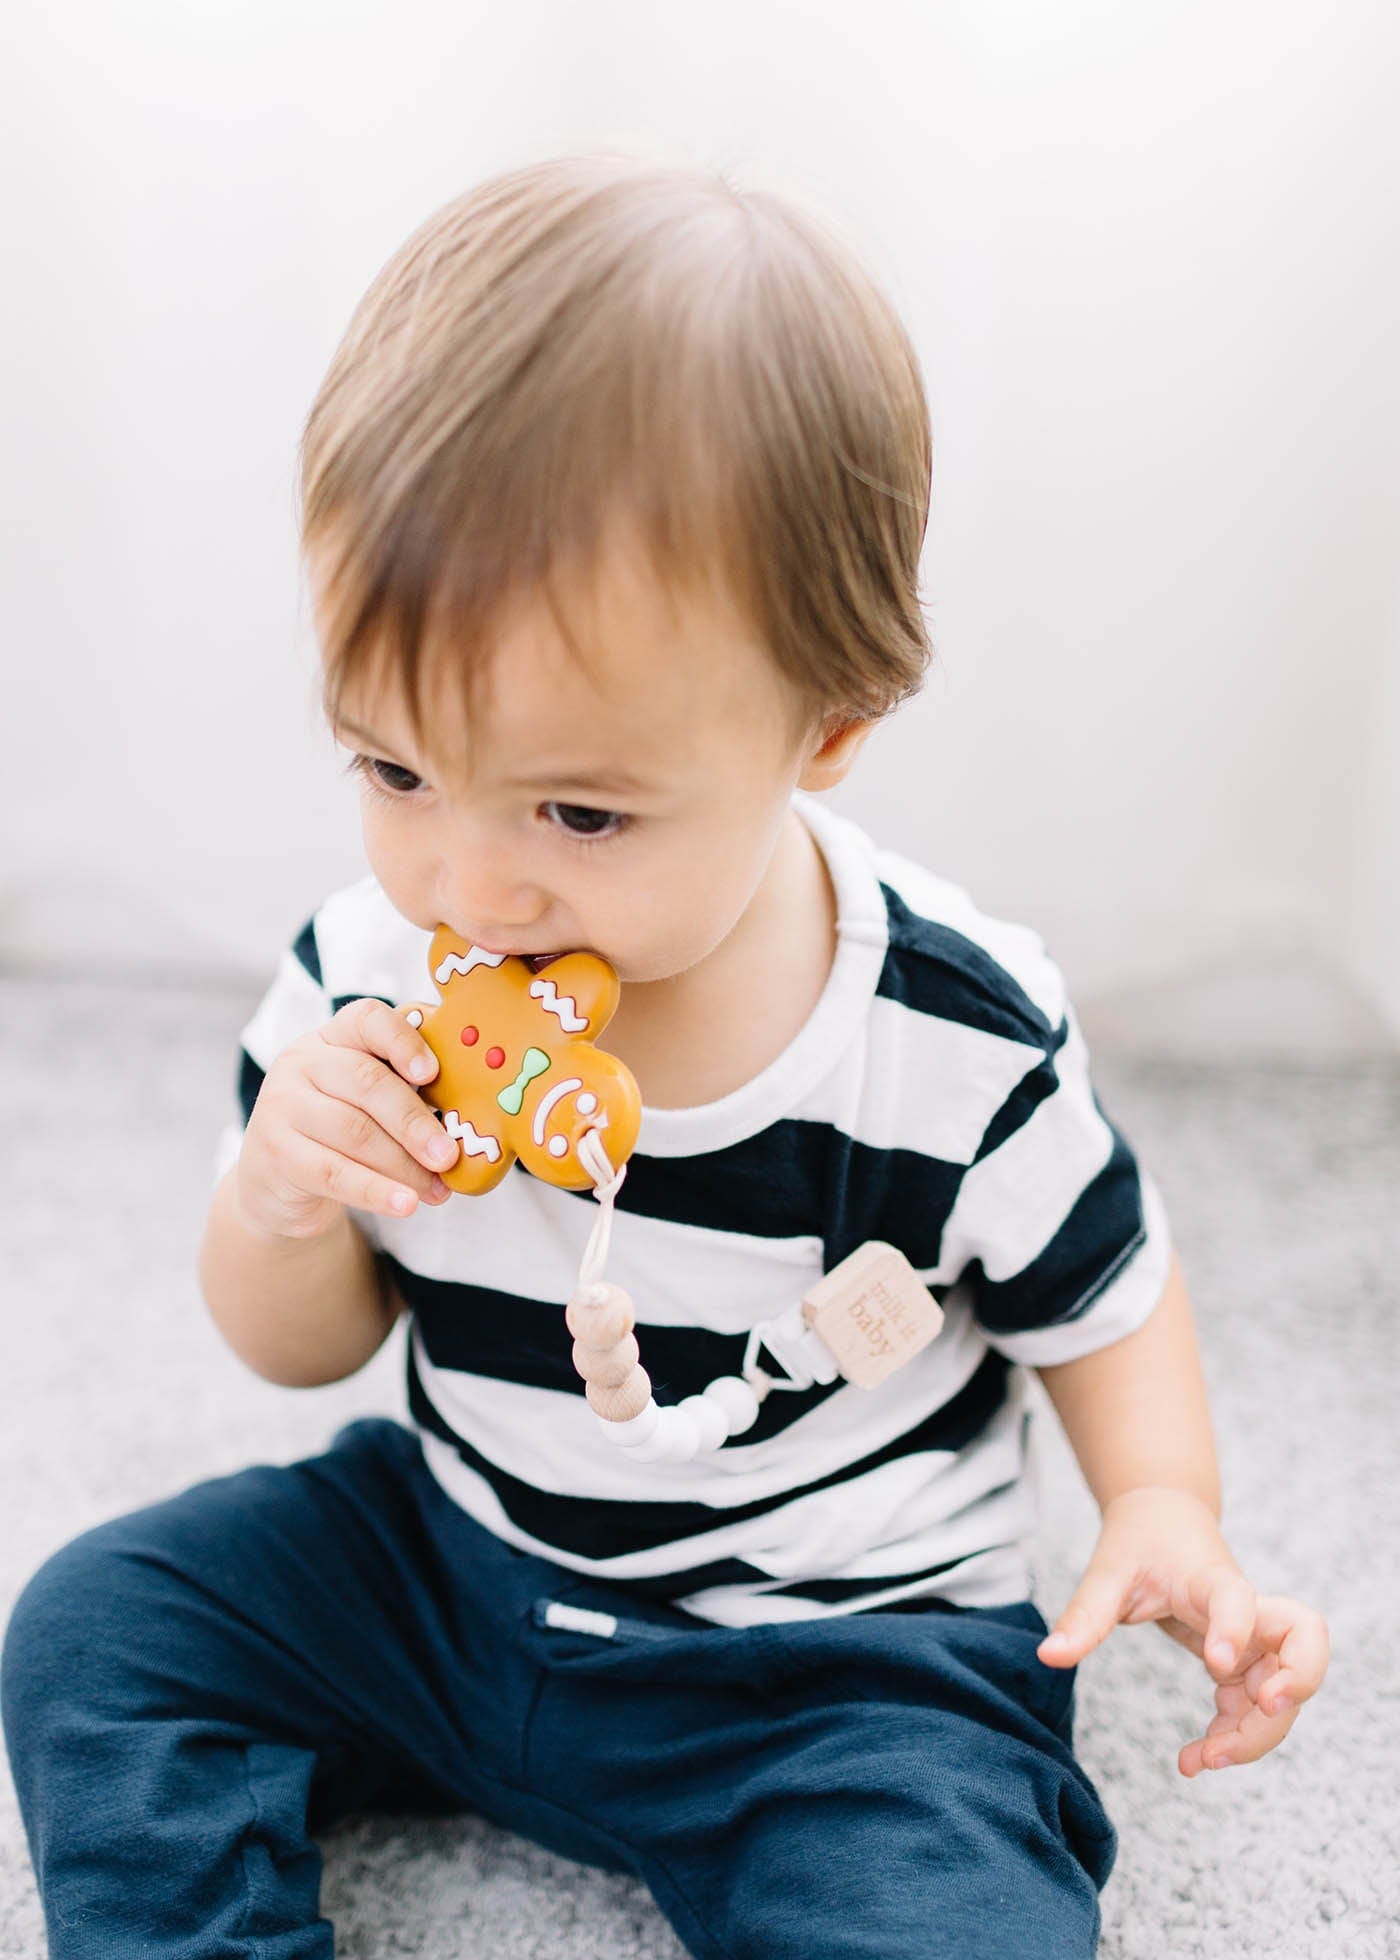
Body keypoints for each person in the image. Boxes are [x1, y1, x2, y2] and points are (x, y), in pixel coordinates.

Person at [1, 151, 1328, 1960]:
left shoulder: (949, 1030)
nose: (468, 882)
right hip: (453, 1572)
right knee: (101, 1627)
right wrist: (289, 1192)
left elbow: (1105, 1292)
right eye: (393, 771)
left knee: (951, 1907)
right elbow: (297, 1350)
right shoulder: (366, 979)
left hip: (832, 1660)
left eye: (578, 810)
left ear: (828, 726)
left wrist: (1163, 1502)